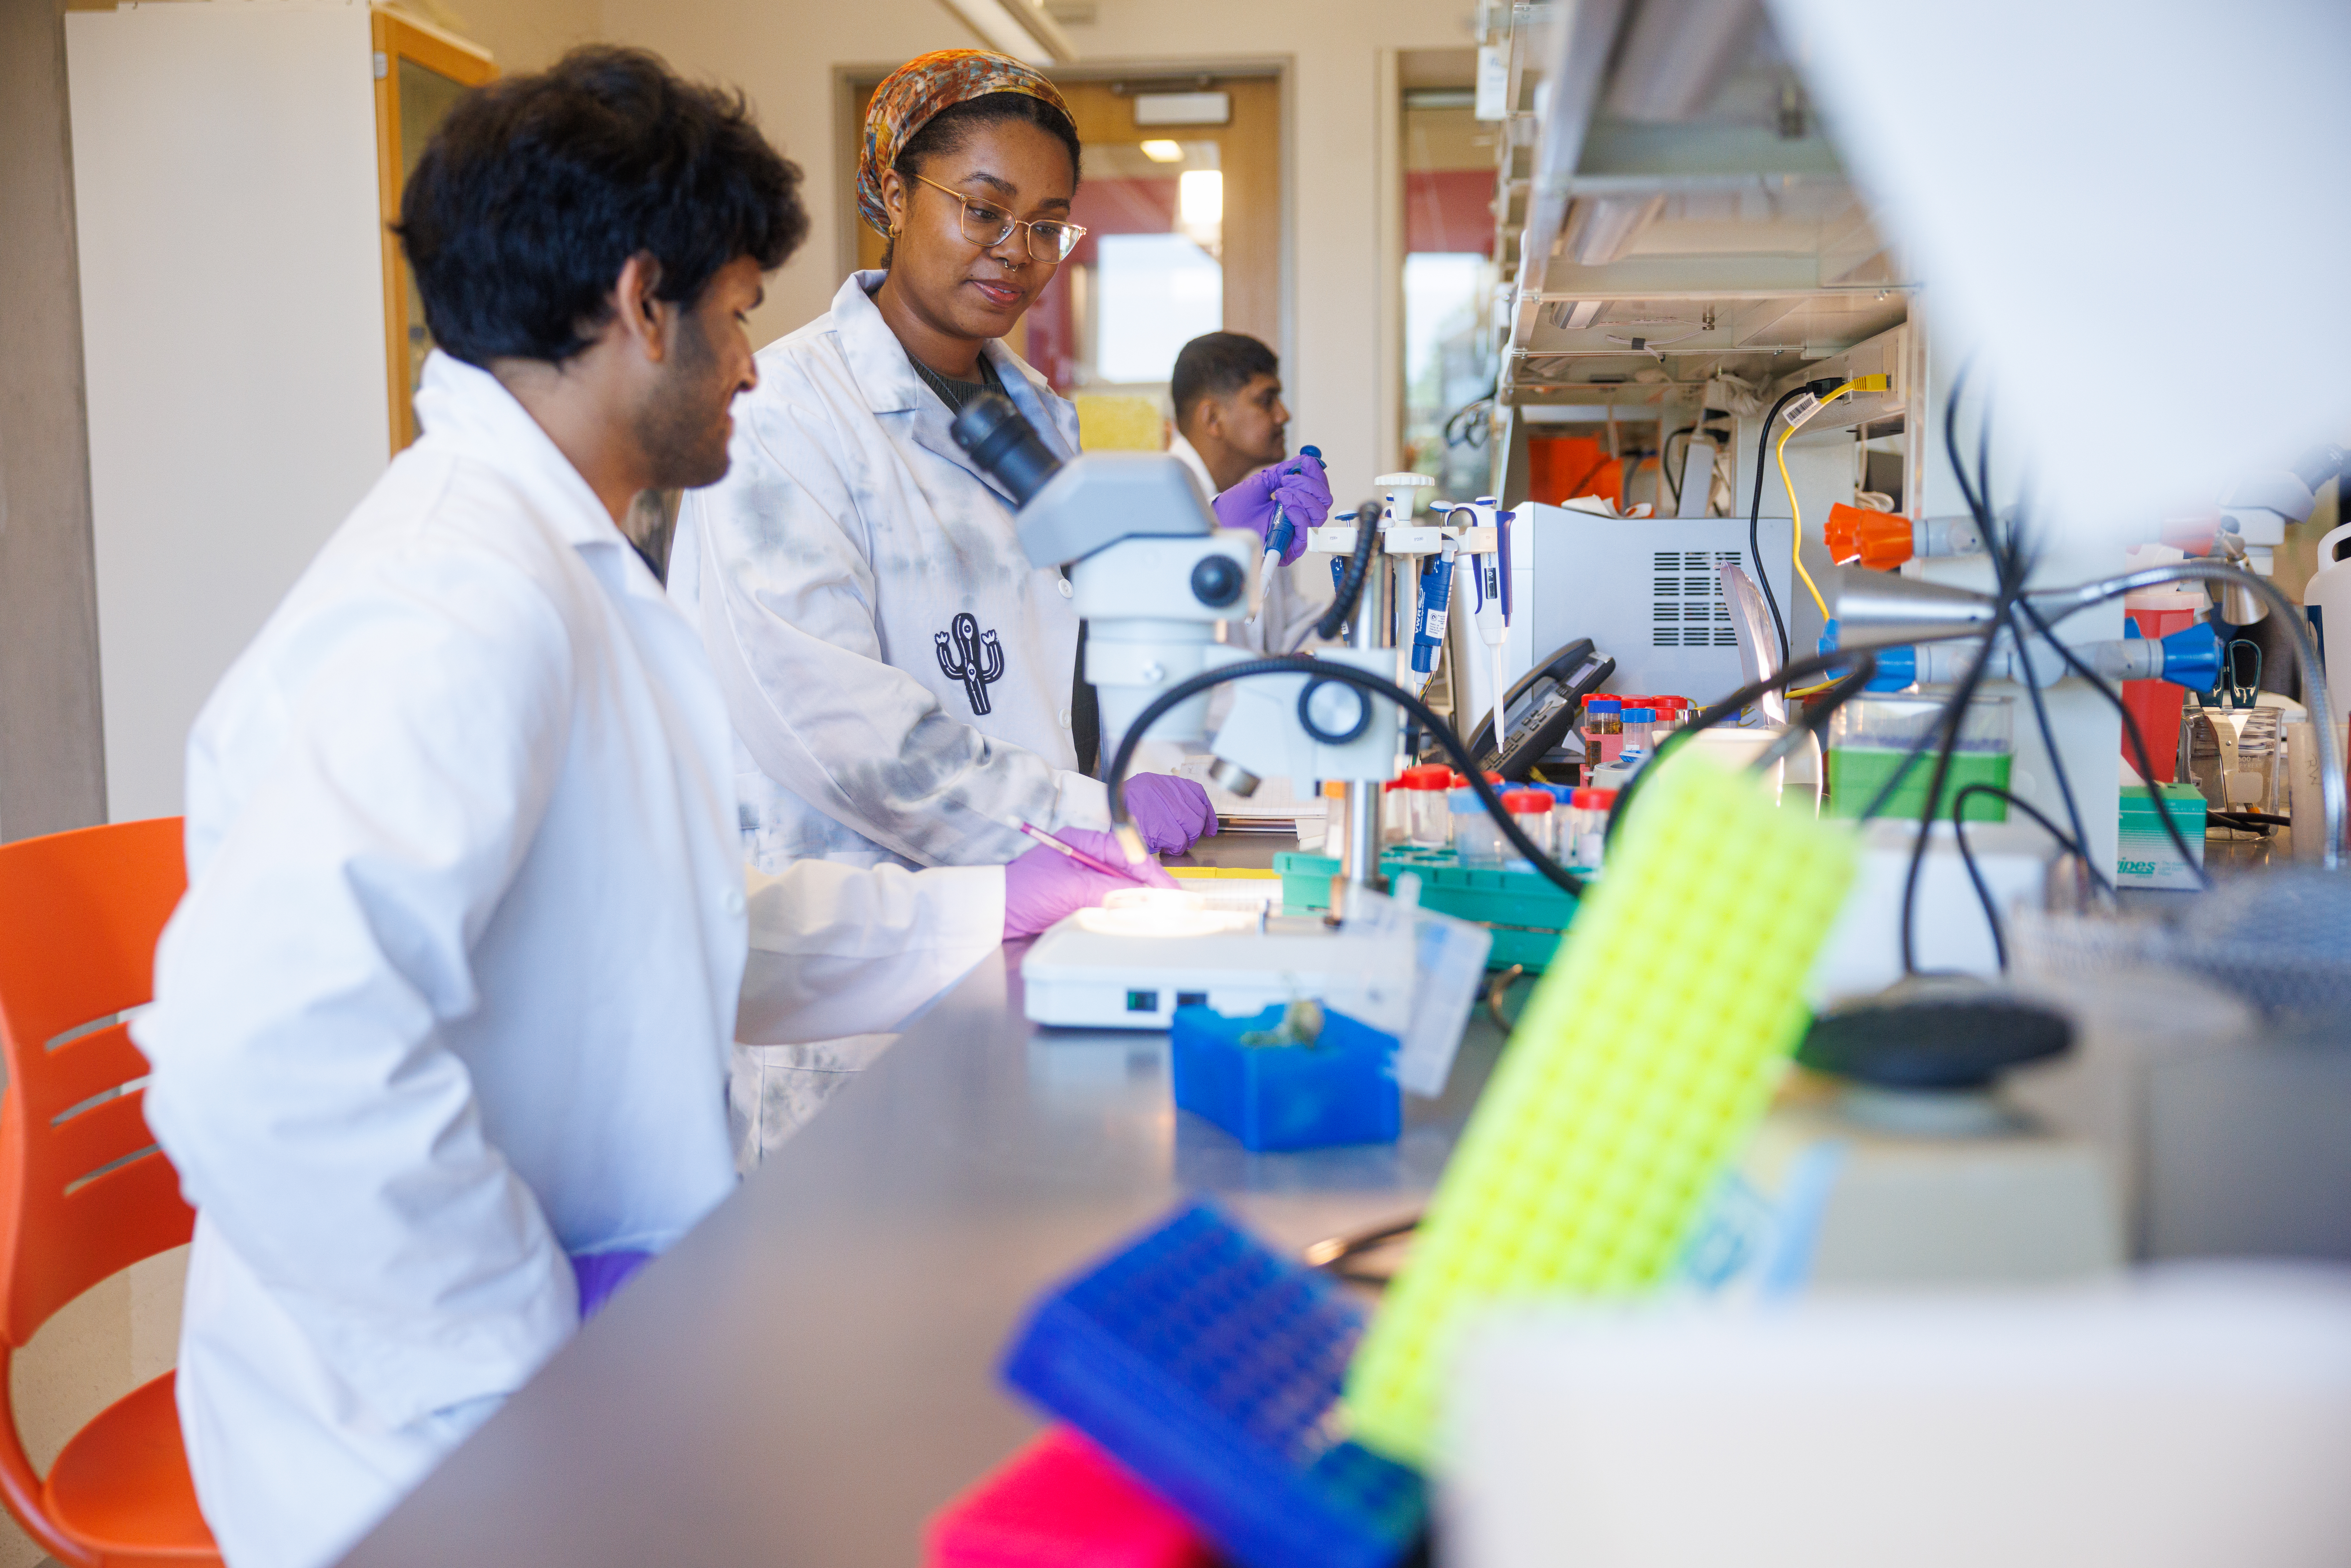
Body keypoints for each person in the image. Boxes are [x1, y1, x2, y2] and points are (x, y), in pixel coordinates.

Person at [132, 48, 1162, 1568]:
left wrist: (986, 902)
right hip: (421, 1438)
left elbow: (664, 924)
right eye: (740, 310)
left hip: (568, 1373)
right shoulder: (451, 602)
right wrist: (530, 1342)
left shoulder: (567, 559)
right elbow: (270, 1065)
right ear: (641, 303)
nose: (754, 361)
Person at [671, 50, 1328, 1160]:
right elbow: (841, 732)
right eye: (983, 209)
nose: (1016, 252)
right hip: (855, 977)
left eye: (1047, 224)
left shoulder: (1037, 414)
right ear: (890, 191)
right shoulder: (788, 415)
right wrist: (1081, 819)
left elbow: (1082, 643)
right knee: (865, 1290)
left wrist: (1205, 546)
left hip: (1037, 921)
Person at [1167, 330, 1330, 652]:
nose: (1284, 415)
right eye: (1266, 400)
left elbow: (1287, 627)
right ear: (1213, 418)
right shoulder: (1156, 504)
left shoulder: (1259, 512)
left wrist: (1369, 604)